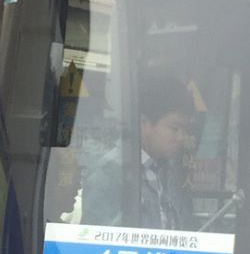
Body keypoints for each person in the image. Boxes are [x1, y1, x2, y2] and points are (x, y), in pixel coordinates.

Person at [80, 76, 197, 230]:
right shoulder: (110, 173)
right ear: (143, 122)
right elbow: (96, 236)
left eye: (185, 130)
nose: (181, 137)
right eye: (174, 128)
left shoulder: (167, 171)